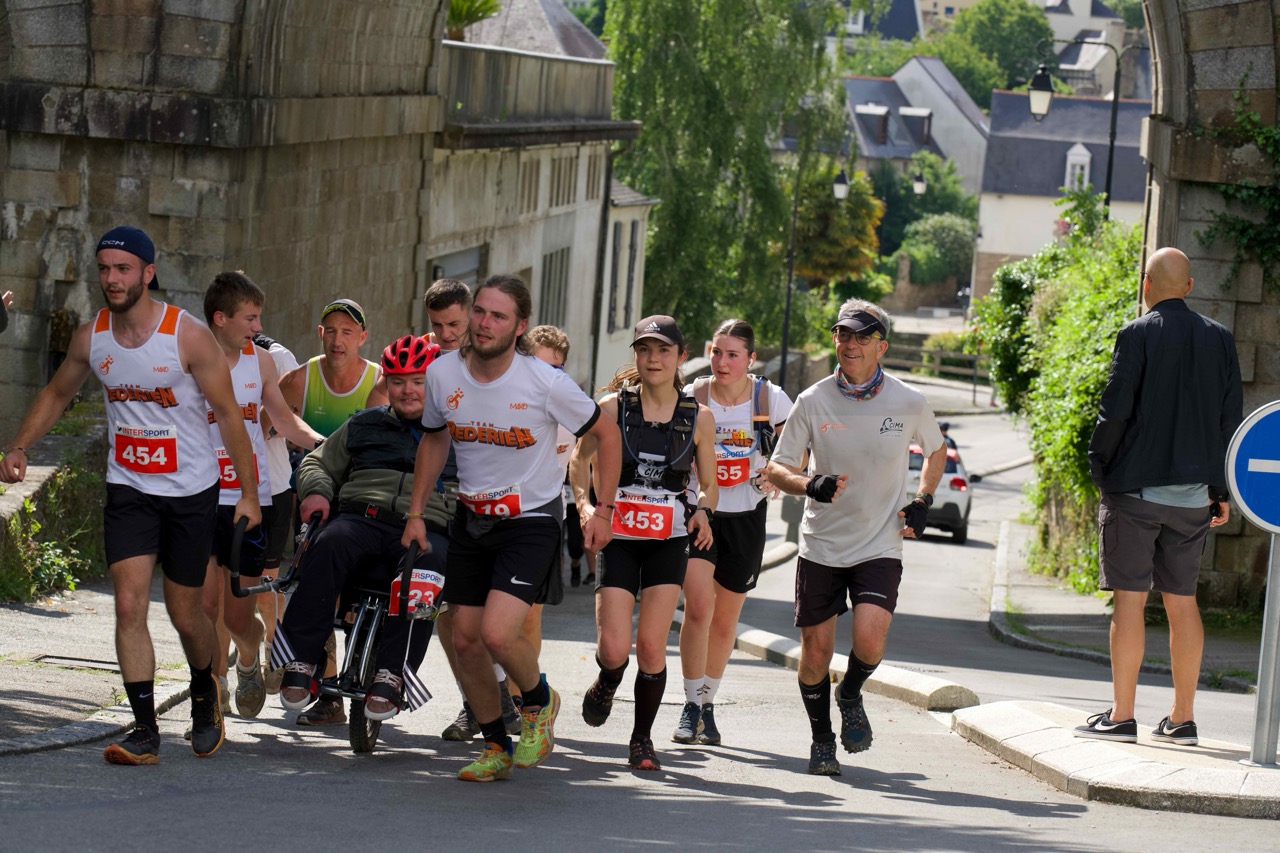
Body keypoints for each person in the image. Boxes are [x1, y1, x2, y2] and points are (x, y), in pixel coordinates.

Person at [0, 225, 262, 765]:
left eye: (123, 269)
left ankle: (205, 689)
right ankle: (144, 730)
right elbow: (57, 392)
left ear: (147, 272)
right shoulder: (91, 337)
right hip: (130, 488)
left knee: (187, 615)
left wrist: (249, 495)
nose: (112, 279)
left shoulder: (187, 336)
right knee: (128, 604)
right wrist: (20, 445)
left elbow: (229, 414)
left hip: (190, 491)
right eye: (104, 269)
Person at [402, 273, 622, 783]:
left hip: (531, 520)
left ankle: (540, 703)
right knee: (464, 640)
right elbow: (434, 439)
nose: (484, 323)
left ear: (520, 326)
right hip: (472, 517)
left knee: (498, 633)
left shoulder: (544, 382)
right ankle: (496, 746)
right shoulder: (442, 374)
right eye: (479, 311)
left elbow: (607, 434)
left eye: (498, 316)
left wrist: (603, 510)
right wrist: (415, 513)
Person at [766, 298, 946, 776]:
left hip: (880, 541)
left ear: (881, 346)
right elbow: (777, 467)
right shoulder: (813, 400)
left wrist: (923, 498)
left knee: (869, 640)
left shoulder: (909, 401)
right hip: (822, 544)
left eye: (862, 337)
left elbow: (936, 450)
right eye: (843, 334)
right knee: (816, 653)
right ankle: (822, 739)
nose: (850, 344)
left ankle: (850, 692)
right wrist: (811, 484)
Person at [1076, 246, 1243, 746]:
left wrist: (1100, 468)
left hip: (1135, 491)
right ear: (1189, 287)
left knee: (1129, 602)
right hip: (1193, 500)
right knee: (1182, 601)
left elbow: (1115, 410)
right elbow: (1229, 421)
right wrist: (1220, 490)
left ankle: (1122, 716)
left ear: (1145, 284)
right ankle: (1182, 719)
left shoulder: (1136, 334)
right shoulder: (1220, 339)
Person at [572, 316, 717, 771]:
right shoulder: (611, 408)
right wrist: (585, 508)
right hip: (618, 536)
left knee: (652, 647)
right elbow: (578, 461)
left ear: (680, 356)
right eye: (644, 349)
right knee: (614, 649)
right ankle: (607, 680)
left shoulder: (699, 417)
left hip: (668, 540)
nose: (653, 359)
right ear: (636, 355)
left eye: (663, 350)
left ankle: (641, 740)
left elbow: (710, 485)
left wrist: (702, 510)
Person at [278, 335, 449, 722]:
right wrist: (317, 493)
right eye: (397, 381)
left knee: (425, 567)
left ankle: (393, 673)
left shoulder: (458, 431)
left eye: (418, 381)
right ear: (386, 383)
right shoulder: (363, 424)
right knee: (328, 542)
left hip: (426, 527)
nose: (407, 390)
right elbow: (317, 462)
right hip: (363, 517)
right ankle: (302, 659)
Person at [201, 272, 324, 719]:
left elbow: (286, 422)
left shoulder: (262, 362)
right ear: (221, 318)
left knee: (238, 616)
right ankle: (211, 693)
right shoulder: (188, 358)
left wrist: (328, 449)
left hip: (250, 500)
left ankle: (249, 656)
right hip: (197, 496)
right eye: (250, 318)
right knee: (206, 606)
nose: (259, 327)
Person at [675, 318, 792, 746]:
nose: (722, 362)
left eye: (733, 355)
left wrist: (776, 473)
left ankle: (707, 704)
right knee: (698, 609)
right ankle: (690, 704)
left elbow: (796, 446)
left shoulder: (769, 398)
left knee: (725, 621)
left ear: (751, 359)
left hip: (747, 516)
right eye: (717, 352)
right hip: (700, 514)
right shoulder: (693, 395)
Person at [422, 279, 523, 743]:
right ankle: (478, 702)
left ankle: (521, 698)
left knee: (495, 619)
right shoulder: (429, 365)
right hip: (445, 497)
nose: (446, 335)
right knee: (451, 613)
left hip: (500, 503)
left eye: (455, 325)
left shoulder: (502, 363)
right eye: (438, 326)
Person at [277, 297, 386, 727]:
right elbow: (272, 422)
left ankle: (365, 666)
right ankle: (326, 690)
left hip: (362, 498)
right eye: (331, 331)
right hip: (314, 495)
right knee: (314, 584)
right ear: (320, 334)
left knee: (358, 590)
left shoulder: (379, 382)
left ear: (362, 337)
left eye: (348, 332)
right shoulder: (300, 380)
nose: (338, 340)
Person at [252, 329, 302, 694]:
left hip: (273, 487)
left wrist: (264, 425)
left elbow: (294, 415)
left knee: (265, 584)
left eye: (254, 317)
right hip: (222, 488)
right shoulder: (206, 351)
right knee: (229, 586)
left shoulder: (278, 357)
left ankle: (273, 646)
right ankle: (239, 659)